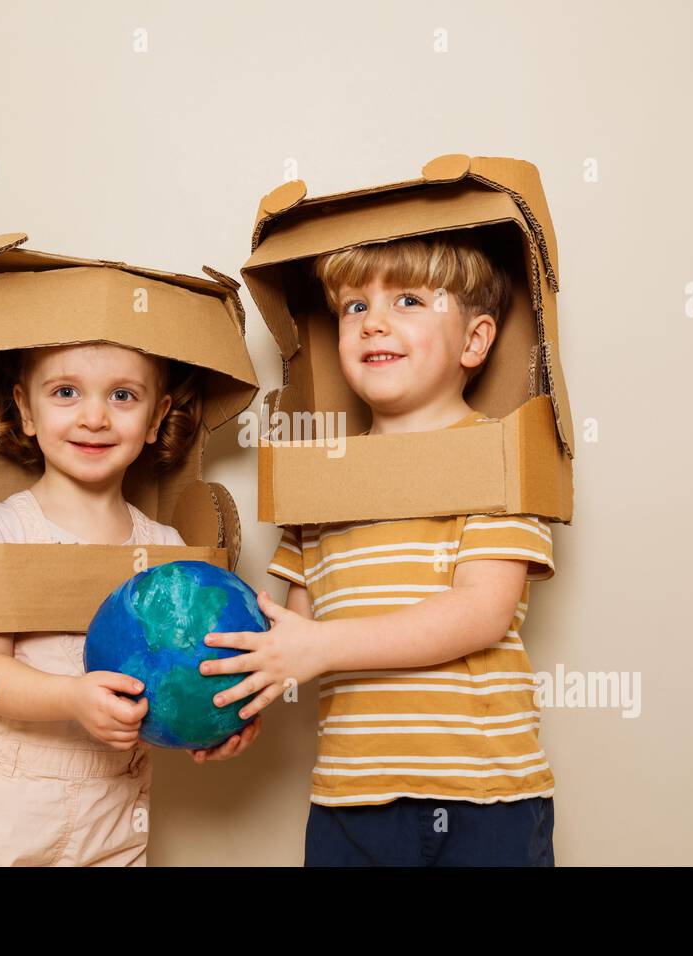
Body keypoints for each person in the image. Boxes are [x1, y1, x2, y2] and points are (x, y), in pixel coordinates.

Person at [203, 233, 557, 866]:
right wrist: (237, 703)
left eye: (411, 301)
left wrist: (320, 649)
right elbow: (294, 636)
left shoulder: (501, 459)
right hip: (351, 800)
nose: (374, 324)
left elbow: (482, 612)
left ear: (475, 341)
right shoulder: (319, 484)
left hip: (484, 797)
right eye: (354, 309)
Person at [0, 341, 260, 866]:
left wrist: (217, 720)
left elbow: (198, 665)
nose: (94, 417)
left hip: (115, 805)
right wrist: (72, 699)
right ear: (26, 409)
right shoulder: (2, 530)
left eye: (123, 395)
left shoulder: (168, 552)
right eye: (66, 392)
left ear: (156, 417)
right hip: (4, 797)